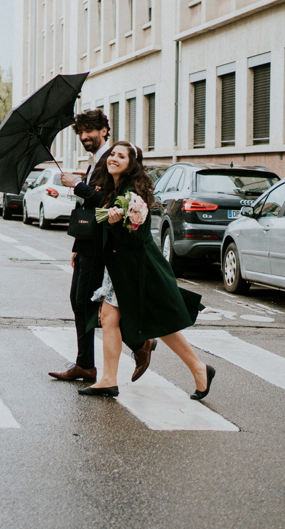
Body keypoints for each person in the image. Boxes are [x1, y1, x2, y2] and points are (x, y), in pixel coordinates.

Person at [79, 141, 216, 400]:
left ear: (131, 164)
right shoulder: (115, 189)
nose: (114, 159)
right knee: (110, 318)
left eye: (121, 156)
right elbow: (103, 227)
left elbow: (135, 240)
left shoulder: (133, 196)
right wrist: (105, 220)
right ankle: (109, 379)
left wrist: (115, 223)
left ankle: (199, 369)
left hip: (136, 269)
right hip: (119, 269)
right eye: (112, 154)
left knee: (161, 322)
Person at [49, 109, 154, 384]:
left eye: (89, 131)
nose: (84, 136)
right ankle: (89, 362)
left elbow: (105, 199)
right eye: (81, 132)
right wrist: (76, 244)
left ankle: (134, 344)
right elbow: (88, 207)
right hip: (87, 243)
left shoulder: (112, 158)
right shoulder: (95, 160)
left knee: (90, 303)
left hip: (101, 246)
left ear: (104, 131)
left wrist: (77, 185)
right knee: (81, 301)